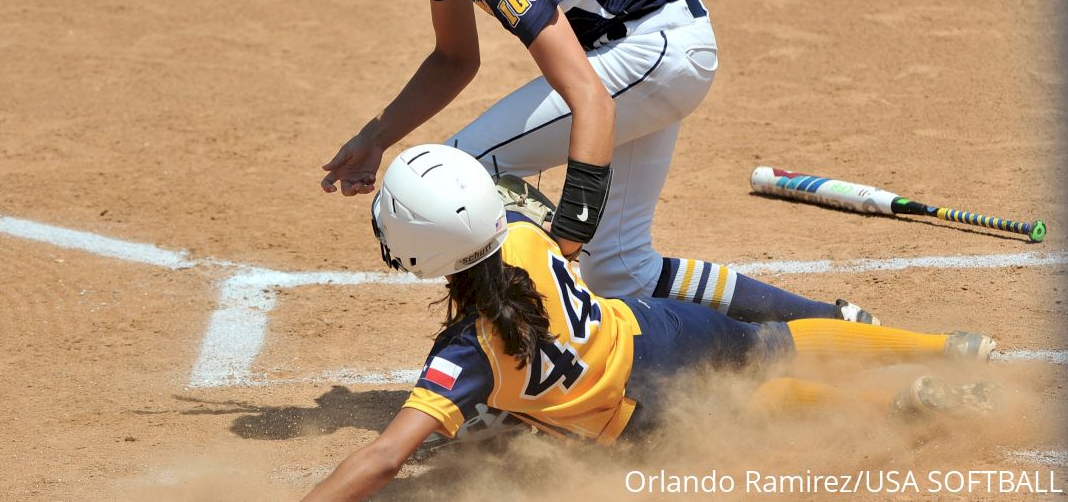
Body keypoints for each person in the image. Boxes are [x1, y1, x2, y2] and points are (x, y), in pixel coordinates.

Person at [230, 0, 877, 325]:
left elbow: (589, 97)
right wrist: (378, 135)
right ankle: (833, 325)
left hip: (655, 52)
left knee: (460, 168)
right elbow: (456, 60)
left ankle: (507, 365)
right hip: (645, 56)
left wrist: (570, 228)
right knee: (620, 268)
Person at [301, 145, 999, 501]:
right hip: (663, 329)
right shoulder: (520, 232)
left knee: (749, 407)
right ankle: (944, 346)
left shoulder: (466, 355)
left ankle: (900, 403)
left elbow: (385, 457)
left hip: (642, 416)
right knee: (770, 344)